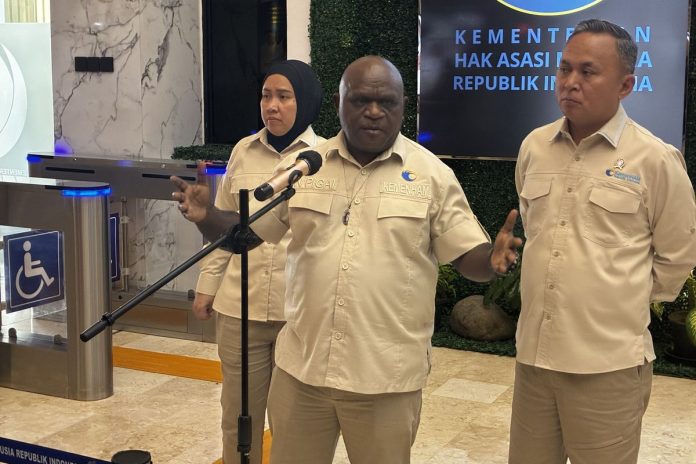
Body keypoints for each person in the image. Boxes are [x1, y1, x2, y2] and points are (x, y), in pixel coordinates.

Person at [173, 55, 522, 464]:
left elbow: (465, 256)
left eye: (386, 102)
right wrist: (207, 216)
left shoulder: (431, 175)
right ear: (340, 103)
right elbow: (246, 234)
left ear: (403, 105)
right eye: (360, 100)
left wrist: (491, 260)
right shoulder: (303, 169)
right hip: (303, 372)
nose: (373, 111)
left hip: (385, 379)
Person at [511, 19, 696, 464]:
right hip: (534, 359)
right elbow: (536, 229)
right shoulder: (535, 146)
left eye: (588, 71)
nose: (570, 82)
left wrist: (618, 298)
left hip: (607, 366)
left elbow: (678, 256)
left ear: (625, 85)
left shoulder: (655, 159)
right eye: (565, 68)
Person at [193, 60, 324, 464]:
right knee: (237, 417)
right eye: (266, 96)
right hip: (239, 309)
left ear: (305, 101)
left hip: (297, 315)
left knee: (292, 423)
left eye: (284, 96)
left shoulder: (323, 158)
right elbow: (224, 227)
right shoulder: (243, 151)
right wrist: (207, 286)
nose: (272, 106)